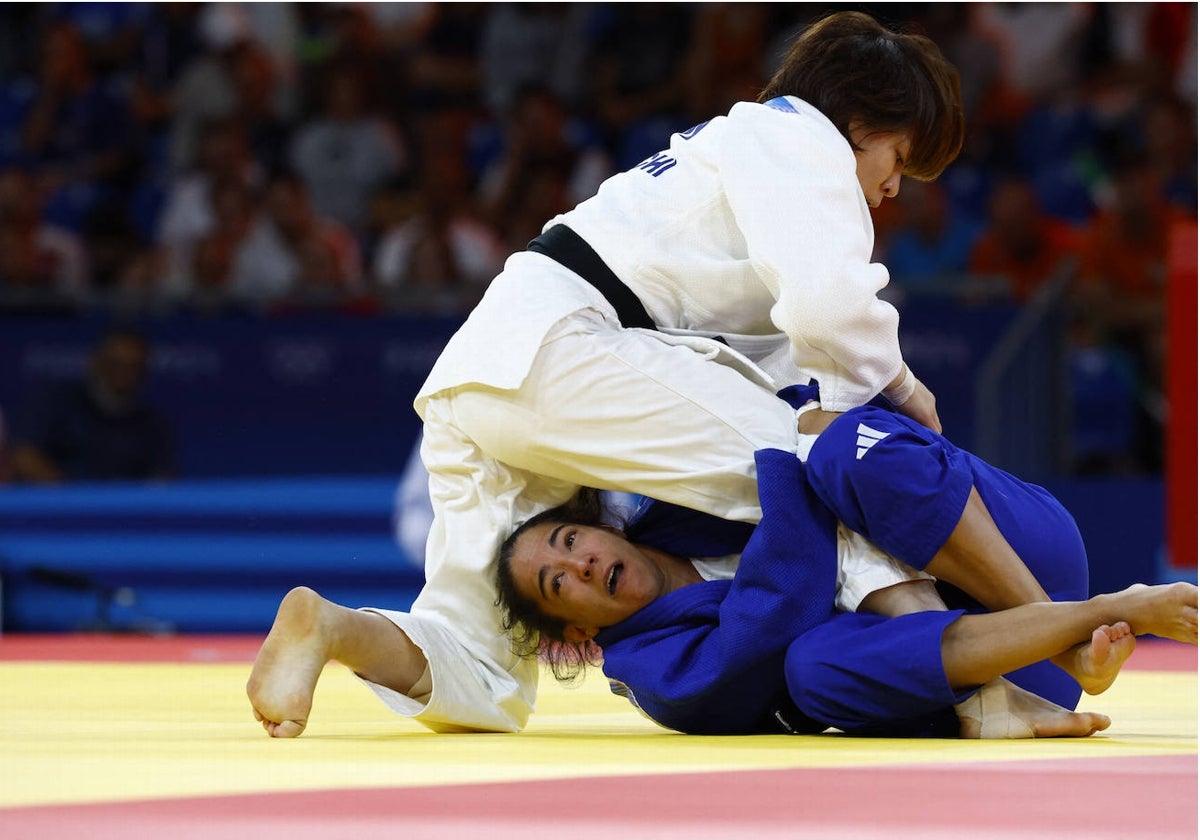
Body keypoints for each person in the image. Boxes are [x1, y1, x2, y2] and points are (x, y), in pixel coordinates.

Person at [249, 11, 974, 736]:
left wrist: (866, 389)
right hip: (561, 349)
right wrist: (904, 388)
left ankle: (333, 628)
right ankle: (969, 685)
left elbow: (787, 349)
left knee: (483, 661)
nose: (890, 191)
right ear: (857, 120)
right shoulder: (800, 136)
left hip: (488, 366)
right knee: (820, 472)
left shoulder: (735, 157)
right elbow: (827, 306)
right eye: (900, 160)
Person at [491, 402, 1198, 737]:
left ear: (596, 522)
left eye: (569, 538)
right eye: (559, 582)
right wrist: (781, 456)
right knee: (811, 667)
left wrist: (804, 440)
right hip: (993, 685)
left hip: (1025, 556)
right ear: (576, 627)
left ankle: (1067, 629)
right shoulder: (655, 672)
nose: (579, 563)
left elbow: (827, 415)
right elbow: (775, 611)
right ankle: (1083, 627)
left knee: (842, 445)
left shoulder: (680, 499)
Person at [9, 327, 176, 483]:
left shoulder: (153, 424)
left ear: (144, 371)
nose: (123, 373)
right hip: (57, 507)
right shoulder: (56, 402)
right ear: (94, 362)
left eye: (133, 366)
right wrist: (71, 500)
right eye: (115, 363)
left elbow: (162, 481)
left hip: (125, 510)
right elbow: (24, 455)